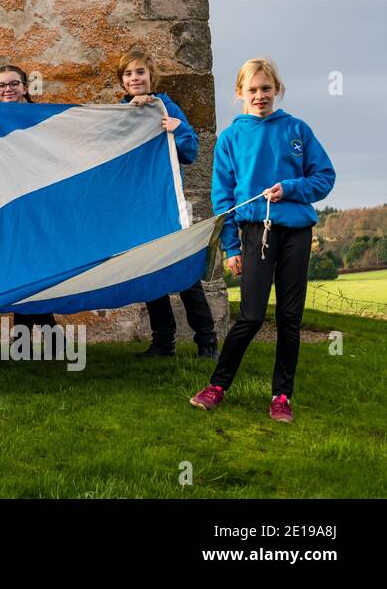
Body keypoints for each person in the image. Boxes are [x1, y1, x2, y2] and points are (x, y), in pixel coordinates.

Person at [191, 58, 335, 422]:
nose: (260, 96)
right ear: (240, 93)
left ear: (277, 90)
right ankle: (217, 386)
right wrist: (232, 247)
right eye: (252, 90)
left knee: (289, 316)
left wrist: (290, 188)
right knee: (251, 316)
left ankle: (282, 396)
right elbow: (223, 200)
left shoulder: (297, 130)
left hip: (296, 233)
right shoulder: (230, 138)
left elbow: (324, 177)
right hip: (256, 234)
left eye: (266, 89)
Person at [117, 48, 219, 359]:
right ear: (122, 81)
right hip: (138, 205)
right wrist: (132, 114)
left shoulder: (165, 106)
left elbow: (190, 151)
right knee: (151, 269)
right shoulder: (117, 113)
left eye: (140, 73)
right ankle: (164, 341)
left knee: (182, 269)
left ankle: (207, 340)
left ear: (151, 76)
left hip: (165, 203)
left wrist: (177, 128)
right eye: (128, 74)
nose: (135, 78)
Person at [0, 65, 57, 334]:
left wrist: (135, 109)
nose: (8, 89)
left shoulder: (41, 118)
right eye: (2, 85)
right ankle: (29, 340)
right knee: (18, 270)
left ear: (25, 87)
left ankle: (44, 337)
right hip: (2, 206)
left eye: (14, 83)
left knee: (34, 268)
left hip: (35, 204)